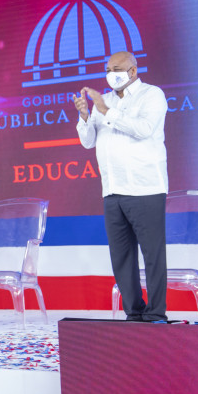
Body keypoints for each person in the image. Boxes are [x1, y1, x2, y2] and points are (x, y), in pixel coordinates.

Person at [73, 50, 168, 322]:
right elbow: (88, 142)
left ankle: (156, 313)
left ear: (133, 71)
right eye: (107, 69)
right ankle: (134, 312)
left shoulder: (152, 95)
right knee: (122, 256)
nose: (110, 74)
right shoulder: (105, 101)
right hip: (112, 190)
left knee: (152, 254)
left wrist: (106, 111)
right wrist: (85, 116)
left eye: (116, 69)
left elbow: (143, 129)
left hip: (144, 188)